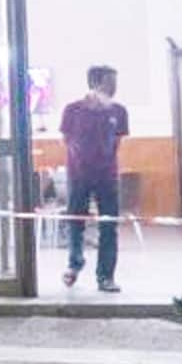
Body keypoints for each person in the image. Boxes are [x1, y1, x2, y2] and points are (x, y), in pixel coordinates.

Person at [60, 64, 128, 294]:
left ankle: (106, 276)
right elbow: (66, 140)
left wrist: (103, 163)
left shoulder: (119, 111)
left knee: (109, 226)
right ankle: (74, 263)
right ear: (97, 83)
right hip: (78, 175)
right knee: (75, 222)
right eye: (111, 82)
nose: (115, 87)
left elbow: (116, 143)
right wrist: (82, 162)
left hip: (107, 177)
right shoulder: (72, 110)